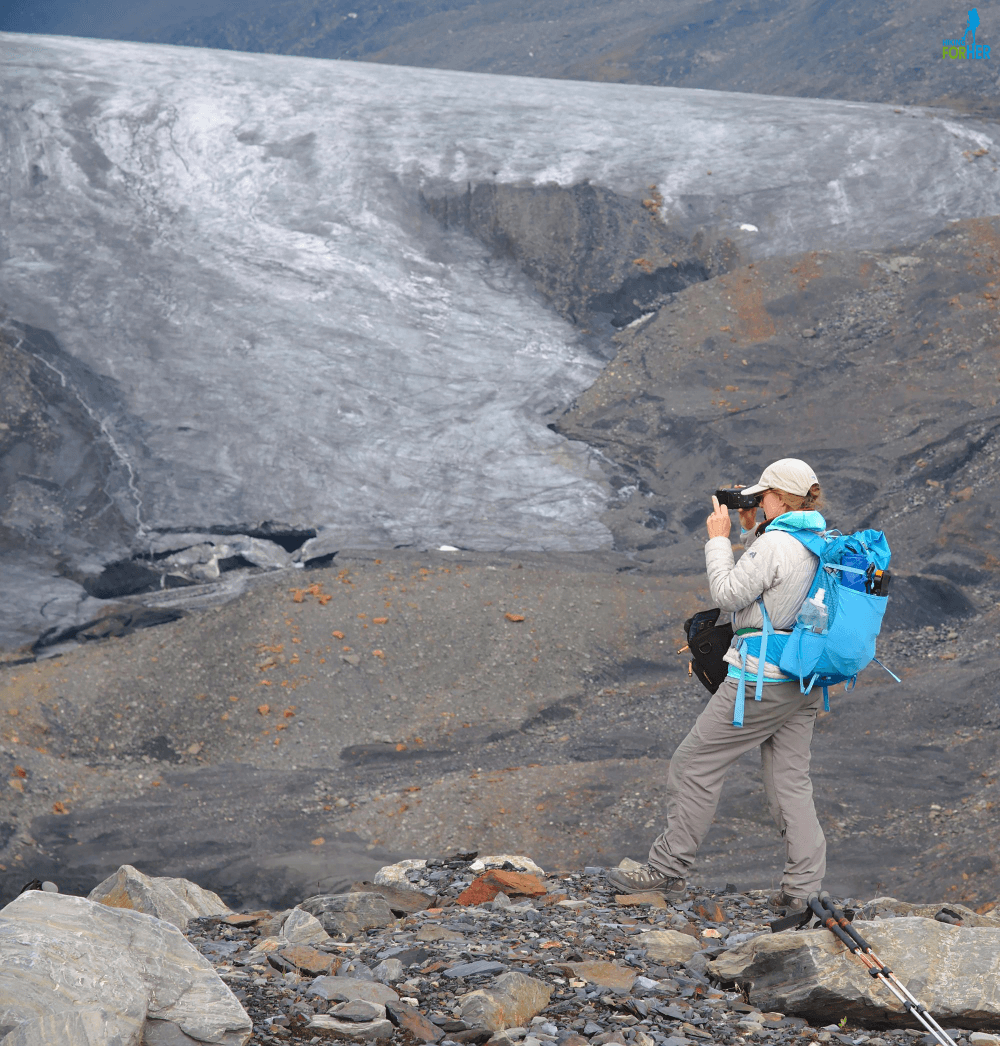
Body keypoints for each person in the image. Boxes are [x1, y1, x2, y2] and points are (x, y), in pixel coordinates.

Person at [607, 458, 828, 913]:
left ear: (780, 498)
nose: (757, 500)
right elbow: (774, 591)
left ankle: (667, 872)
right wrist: (752, 530)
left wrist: (718, 541)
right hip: (803, 678)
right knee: (790, 782)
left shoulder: (775, 545)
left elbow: (728, 595)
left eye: (762, 495)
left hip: (759, 681)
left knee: (693, 764)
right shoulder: (818, 540)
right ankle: (803, 892)